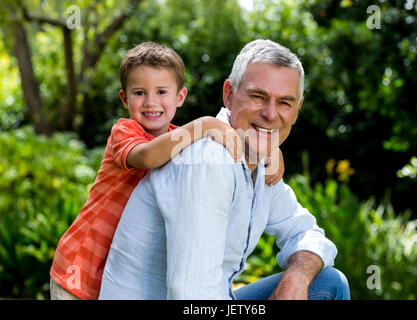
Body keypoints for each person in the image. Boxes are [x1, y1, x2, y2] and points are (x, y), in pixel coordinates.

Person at [99, 39, 350, 300]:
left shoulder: (262, 163)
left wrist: (297, 276)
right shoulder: (208, 162)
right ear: (229, 95)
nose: (270, 113)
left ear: (297, 110)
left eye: (285, 103)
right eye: (258, 96)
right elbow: (190, 294)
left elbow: (305, 232)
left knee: (327, 283)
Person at [49, 41, 286, 300]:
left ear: (180, 97)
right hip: (79, 269)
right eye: (139, 93)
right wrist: (204, 124)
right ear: (124, 98)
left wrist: (270, 150)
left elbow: (239, 142)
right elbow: (148, 156)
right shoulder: (124, 131)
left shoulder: (180, 139)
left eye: (162, 91)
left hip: (114, 271)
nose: (151, 102)